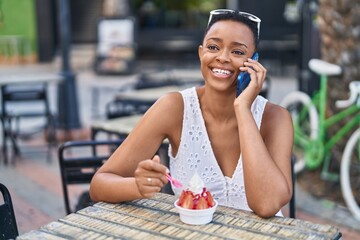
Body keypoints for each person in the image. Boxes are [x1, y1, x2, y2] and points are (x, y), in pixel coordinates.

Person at [90, 9, 294, 218]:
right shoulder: (174, 107)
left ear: (255, 62)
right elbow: (99, 184)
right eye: (213, 47)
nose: (223, 57)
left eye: (238, 52)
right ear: (200, 53)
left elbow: (267, 205)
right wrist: (138, 186)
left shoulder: (276, 118)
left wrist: (242, 108)